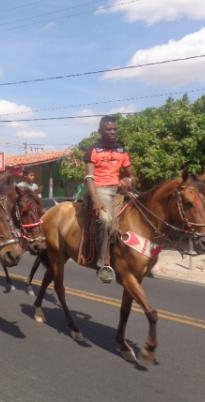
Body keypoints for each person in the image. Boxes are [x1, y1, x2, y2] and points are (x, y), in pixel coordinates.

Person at [83, 115, 135, 283]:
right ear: (100, 131)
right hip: (101, 189)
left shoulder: (122, 150)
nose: (113, 132)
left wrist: (129, 180)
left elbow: (132, 175)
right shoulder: (93, 149)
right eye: (108, 129)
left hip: (119, 189)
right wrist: (96, 199)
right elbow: (89, 177)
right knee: (106, 221)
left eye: (115, 129)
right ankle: (102, 262)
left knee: (146, 209)